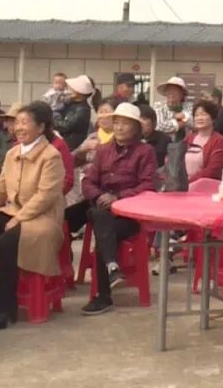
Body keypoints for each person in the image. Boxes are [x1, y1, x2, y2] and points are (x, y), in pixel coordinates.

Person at [0, 102, 66, 330]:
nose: (18, 127)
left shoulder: (51, 156)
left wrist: (18, 219)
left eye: (24, 123)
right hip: (14, 212)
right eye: (16, 123)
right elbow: (0, 187)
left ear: (40, 127)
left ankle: (4, 309)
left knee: (8, 242)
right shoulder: (12, 153)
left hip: (42, 218)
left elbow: (45, 197)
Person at [79, 103, 157, 315]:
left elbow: (148, 184)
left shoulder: (145, 151)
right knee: (100, 217)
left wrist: (118, 198)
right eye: (117, 123)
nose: (120, 127)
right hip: (103, 209)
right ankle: (112, 268)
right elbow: (88, 181)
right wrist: (99, 196)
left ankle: (104, 295)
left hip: (128, 216)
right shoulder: (103, 150)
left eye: (125, 124)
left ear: (136, 128)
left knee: (103, 231)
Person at [66, 101, 117, 235]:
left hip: (105, 191)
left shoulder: (120, 139)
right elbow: (70, 162)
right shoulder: (93, 137)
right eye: (100, 112)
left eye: (107, 112)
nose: (102, 116)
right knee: (64, 218)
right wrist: (82, 150)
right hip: (84, 189)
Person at [185, 100, 223, 183]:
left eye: (203, 114)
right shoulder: (188, 138)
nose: (199, 118)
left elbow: (213, 171)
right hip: (183, 185)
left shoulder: (219, 141)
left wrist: (189, 181)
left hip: (206, 185)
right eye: (196, 115)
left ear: (213, 118)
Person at [54, 75, 94, 151]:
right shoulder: (70, 103)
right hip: (62, 144)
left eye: (72, 88)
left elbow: (65, 126)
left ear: (80, 92)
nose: (69, 90)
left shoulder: (83, 109)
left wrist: (52, 116)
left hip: (71, 149)